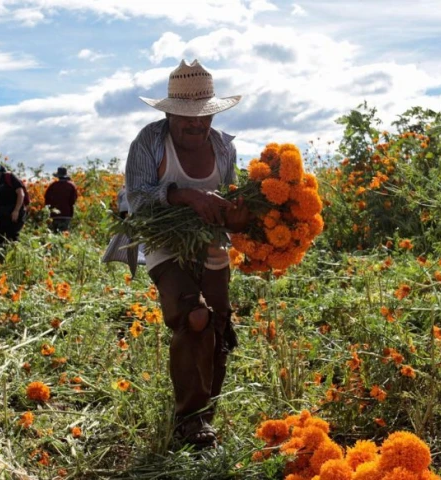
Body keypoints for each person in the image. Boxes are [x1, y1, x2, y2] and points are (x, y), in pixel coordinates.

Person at [125, 59, 249, 449]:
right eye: (187, 118)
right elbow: (137, 200)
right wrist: (185, 195)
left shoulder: (223, 147)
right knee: (193, 316)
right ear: (170, 113)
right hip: (166, 244)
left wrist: (241, 214)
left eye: (203, 118)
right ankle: (189, 421)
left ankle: (205, 415)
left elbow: (229, 199)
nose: (196, 125)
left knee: (219, 327)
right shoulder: (150, 141)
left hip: (212, 247)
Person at [0, 160, 26, 253]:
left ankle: (17, 258)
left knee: (12, 236)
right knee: (0, 237)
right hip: (3, 213)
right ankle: (1, 260)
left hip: (15, 211)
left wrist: (16, 211)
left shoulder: (9, 177)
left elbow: (21, 194)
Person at [44, 167, 79, 233]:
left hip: (54, 214)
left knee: (53, 233)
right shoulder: (71, 185)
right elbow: (73, 200)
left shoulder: (53, 185)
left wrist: (50, 209)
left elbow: (47, 199)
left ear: (58, 176)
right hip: (66, 213)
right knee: (64, 233)